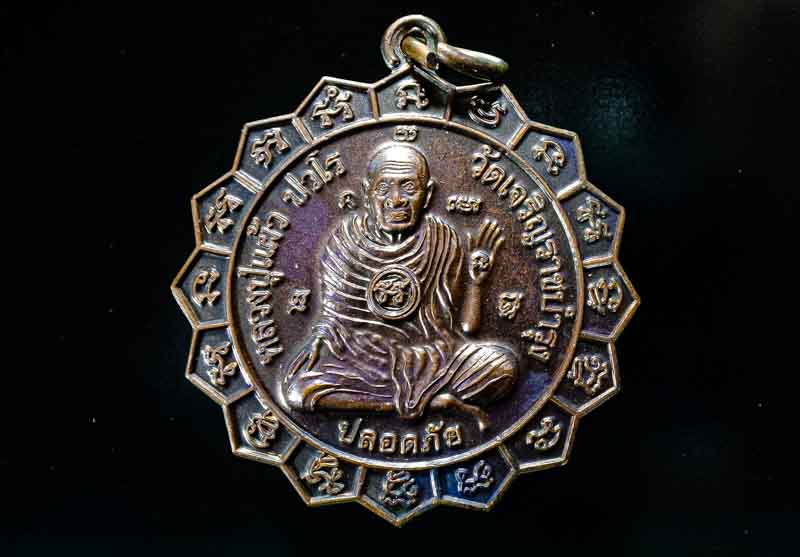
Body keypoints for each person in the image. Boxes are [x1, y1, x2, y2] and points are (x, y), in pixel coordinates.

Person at [282, 142, 517, 429]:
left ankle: (412, 398)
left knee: (501, 367)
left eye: (408, 188)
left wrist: (476, 283)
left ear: (427, 194)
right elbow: (332, 320)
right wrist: (321, 339)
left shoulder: (442, 239)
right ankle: (432, 403)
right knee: (297, 391)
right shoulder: (344, 240)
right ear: (367, 193)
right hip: (360, 359)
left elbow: (464, 330)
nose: (396, 200)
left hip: (426, 359)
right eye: (384, 188)